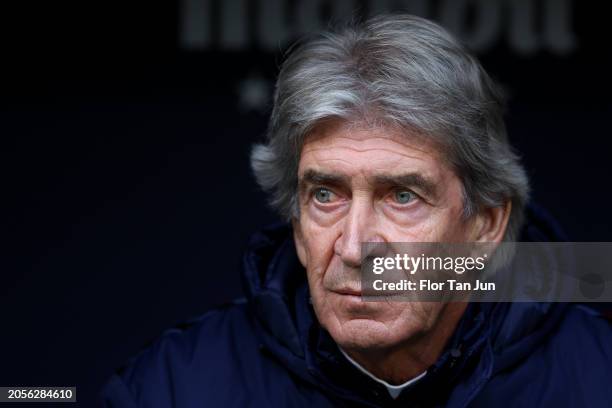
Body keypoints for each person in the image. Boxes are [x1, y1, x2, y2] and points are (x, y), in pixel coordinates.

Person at [101, 14, 612, 407]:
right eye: (325, 195)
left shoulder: (598, 377)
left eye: (402, 196)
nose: (353, 247)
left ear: (485, 225)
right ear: (298, 228)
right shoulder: (172, 387)